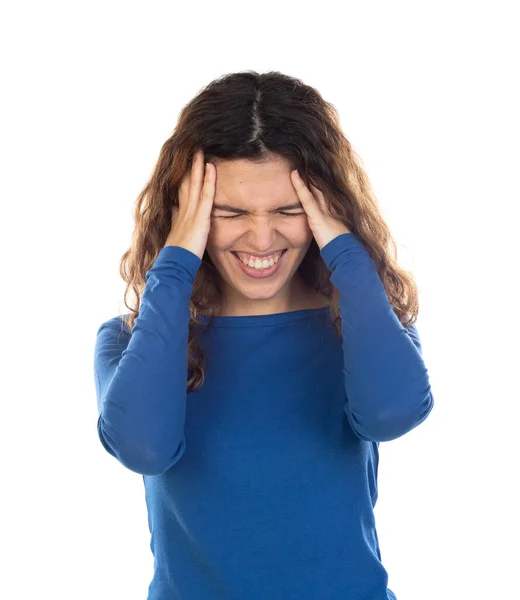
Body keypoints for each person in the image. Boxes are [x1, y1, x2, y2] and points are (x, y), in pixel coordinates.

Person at [93, 70, 434, 600]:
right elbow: (142, 447)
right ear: (188, 215)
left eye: (288, 210)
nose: (260, 237)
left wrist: (347, 252)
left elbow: (393, 413)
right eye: (228, 212)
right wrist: (175, 263)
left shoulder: (360, 325)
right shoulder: (132, 340)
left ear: (327, 209)